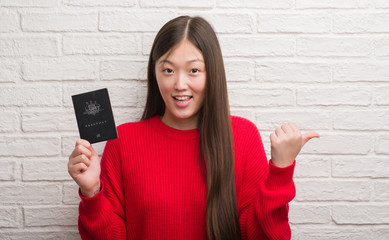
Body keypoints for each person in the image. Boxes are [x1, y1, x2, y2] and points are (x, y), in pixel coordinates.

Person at [68, 16, 319, 240]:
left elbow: (263, 236)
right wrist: (92, 192)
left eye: (194, 70)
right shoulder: (123, 141)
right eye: (168, 70)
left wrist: (281, 171)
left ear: (212, 74)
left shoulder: (243, 136)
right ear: (154, 73)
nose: (180, 84)